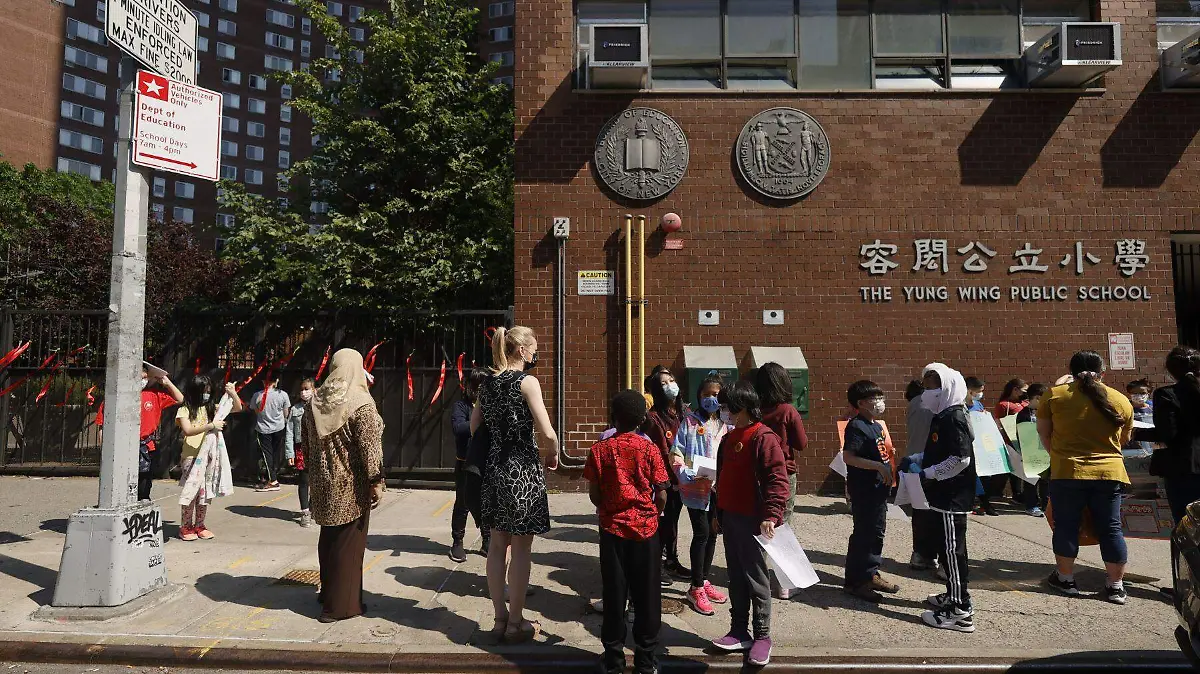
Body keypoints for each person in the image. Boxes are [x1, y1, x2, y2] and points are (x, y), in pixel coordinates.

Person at [473, 326, 559, 644]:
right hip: (521, 469)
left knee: (497, 546)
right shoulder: (527, 382)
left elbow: (474, 426)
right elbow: (547, 431)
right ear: (521, 350)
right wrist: (553, 452)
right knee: (521, 547)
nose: (536, 354)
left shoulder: (488, 383)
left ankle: (498, 620)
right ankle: (516, 622)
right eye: (534, 348)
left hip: (495, 470)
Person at [1038, 350, 1134, 605]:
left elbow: (1045, 436)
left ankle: (1065, 579)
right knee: (1111, 527)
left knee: (1066, 525)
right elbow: (1124, 440)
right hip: (1110, 473)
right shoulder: (1121, 399)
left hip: (1067, 471)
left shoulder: (1055, 396)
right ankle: (1116, 586)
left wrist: (1060, 456)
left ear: (1070, 370)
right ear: (1104, 372)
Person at [585, 390, 669, 674]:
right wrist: (652, 513)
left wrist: (609, 505)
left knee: (614, 593)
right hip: (646, 531)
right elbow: (662, 492)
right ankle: (646, 660)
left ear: (614, 418)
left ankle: (613, 659)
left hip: (612, 530)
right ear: (642, 419)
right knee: (647, 596)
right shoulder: (650, 449)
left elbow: (594, 494)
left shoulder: (599, 450)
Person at [302, 349, 385, 623]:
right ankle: (340, 607)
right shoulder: (361, 402)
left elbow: (307, 443)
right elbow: (370, 448)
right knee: (348, 545)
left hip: (322, 483)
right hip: (351, 485)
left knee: (328, 540)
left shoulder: (314, 401)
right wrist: (376, 482)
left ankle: (328, 592)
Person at [710, 380, 789, 668]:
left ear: (741, 407)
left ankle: (762, 636)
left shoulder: (763, 437)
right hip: (731, 518)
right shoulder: (729, 438)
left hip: (753, 521)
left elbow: (777, 480)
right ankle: (739, 630)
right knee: (736, 577)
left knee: (757, 579)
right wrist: (718, 515)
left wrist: (771, 514)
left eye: (728, 406)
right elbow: (722, 478)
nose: (724, 411)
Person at [918, 363, 977, 632]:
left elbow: (960, 459)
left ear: (947, 389)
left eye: (931, 387)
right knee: (946, 549)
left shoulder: (954, 417)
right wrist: (921, 462)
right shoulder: (942, 416)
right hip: (942, 497)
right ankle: (952, 593)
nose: (926, 393)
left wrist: (931, 472)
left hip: (953, 497)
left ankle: (959, 609)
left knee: (953, 552)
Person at [671, 372, 730, 616]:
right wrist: (683, 473)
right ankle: (695, 587)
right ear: (699, 396)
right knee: (702, 533)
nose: (710, 399)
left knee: (713, 532)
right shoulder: (689, 422)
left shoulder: (726, 423)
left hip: (719, 488)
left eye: (715, 395)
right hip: (695, 488)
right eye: (706, 395)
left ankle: (704, 579)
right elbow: (676, 452)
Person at [840, 379, 899, 603]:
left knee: (876, 533)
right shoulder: (856, 426)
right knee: (865, 535)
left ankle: (870, 572)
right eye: (874, 398)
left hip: (878, 489)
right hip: (865, 490)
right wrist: (875, 465)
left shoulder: (875, 425)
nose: (879, 402)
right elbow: (849, 456)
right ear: (861, 403)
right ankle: (857, 582)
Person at [96, 364, 184, 501]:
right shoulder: (114, 398)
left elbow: (180, 399)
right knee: (120, 479)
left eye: (144, 377)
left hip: (146, 446)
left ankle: (143, 501)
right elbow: (103, 426)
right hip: (121, 446)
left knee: (144, 481)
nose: (142, 380)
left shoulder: (154, 395)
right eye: (139, 377)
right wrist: (104, 450)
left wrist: (167, 383)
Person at [754, 365, 808, 587]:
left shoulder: (755, 410)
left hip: (759, 472)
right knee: (782, 524)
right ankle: (785, 583)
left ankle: (758, 575)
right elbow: (801, 443)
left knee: (761, 521)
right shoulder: (787, 410)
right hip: (784, 472)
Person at [175, 375, 243, 541]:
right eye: (203, 391)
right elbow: (188, 430)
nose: (206, 395)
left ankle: (200, 524)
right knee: (191, 491)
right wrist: (211, 426)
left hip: (209, 456)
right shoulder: (184, 409)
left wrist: (232, 393)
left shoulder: (212, 408)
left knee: (204, 492)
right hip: (191, 456)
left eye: (208, 391)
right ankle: (186, 526)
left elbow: (237, 408)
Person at [644, 366, 689, 582]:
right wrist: (668, 481)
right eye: (663, 383)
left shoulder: (682, 414)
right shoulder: (653, 419)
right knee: (662, 522)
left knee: (672, 521)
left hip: (682, 478)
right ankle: (656, 563)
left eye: (671, 380)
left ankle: (672, 560)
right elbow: (660, 453)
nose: (670, 385)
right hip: (664, 481)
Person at [1152, 346, 1200, 525]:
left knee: (1187, 526)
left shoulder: (1166, 395)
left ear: (1170, 371)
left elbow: (1169, 433)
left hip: (1182, 469)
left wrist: (1137, 432)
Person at [450, 368, 490, 563]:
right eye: (474, 386)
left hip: (485, 462)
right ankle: (457, 542)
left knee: (486, 502)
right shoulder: (461, 406)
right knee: (463, 502)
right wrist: (478, 420)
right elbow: (458, 428)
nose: (476, 391)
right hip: (465, 463)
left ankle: (487, 540)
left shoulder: (489, 405)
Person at [903, 379, 940, 574]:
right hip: (931, 464)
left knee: (919, 511)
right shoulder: (935, 404)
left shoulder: (914, 404)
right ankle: (933, 555)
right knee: (935, 512)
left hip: (913, 462)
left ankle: (920, 554)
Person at [991, 378, 1030, 510]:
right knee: (1012, 469)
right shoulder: (1003, 405)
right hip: (1010, 440)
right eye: (1023, 390)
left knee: (1021, 469)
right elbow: (998, 423)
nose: (1025, 393)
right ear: (1015, 390)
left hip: (1024, 440)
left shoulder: (1025, 403)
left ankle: (1019, 494)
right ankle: (1011, 493)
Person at [251, 373, 292, 493]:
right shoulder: (283, 395)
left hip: (263, 429)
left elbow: (256, 412)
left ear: (263, 382)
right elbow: (286, 413)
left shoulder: (257, 396)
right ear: (277, 381)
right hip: (279, 427)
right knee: (274, 454)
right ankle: (272, 476)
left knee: (266, 455)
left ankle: (273, 480)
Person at [284, 377, 315, 528]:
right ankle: (305, 512)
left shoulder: (320, 407)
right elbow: (289, 431)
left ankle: (313, 507)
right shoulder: (295, 409)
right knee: (304, 480)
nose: (304, 392)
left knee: (317, 480)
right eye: (302, 389)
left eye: (307, 389)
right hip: (301, 448)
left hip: (317, 448)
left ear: (314, 390)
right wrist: (290, 453)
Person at [1016, 383, 1048, 517]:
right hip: (1030, 452)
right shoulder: (1023, 414)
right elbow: (1022, 435)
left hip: (1044, 451)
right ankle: (1031, 505)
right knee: (1031, 481)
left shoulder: (1045, 413)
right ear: (1035, 398)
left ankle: (1046, 505)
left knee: (1046, 481)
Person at [1124, 378, 1154, 457]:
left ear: (1148, 393)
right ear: (1129, 393)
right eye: (1135, 393)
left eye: (1142, 393)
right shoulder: (1125, 407)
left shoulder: (1154, 408)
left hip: (1150, 447)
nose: (1138, 396)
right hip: (1130, 449)